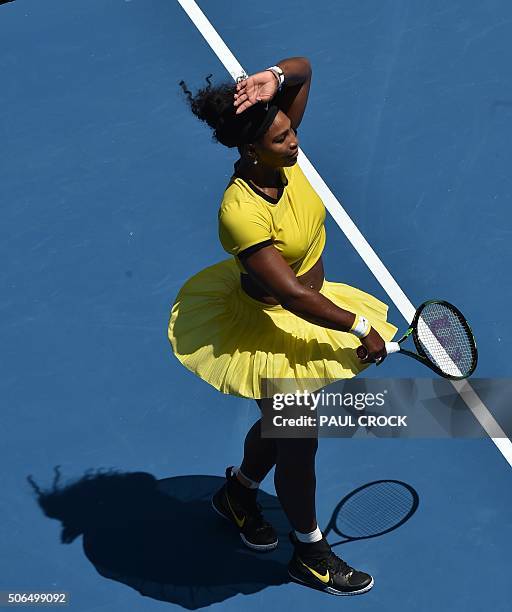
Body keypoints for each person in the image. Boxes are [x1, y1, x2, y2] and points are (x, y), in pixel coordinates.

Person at [168, 57, 397, 596]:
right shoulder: (239, 211)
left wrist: (274, 75)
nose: (294, 142)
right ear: (251, 149)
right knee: (299, 440)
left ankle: (238, 494)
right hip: (272, 326)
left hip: (316, 306)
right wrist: (359, 327)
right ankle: (310, 553)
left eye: (292, 130)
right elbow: (291, 295)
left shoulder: (280, 158)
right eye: (282, 138)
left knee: (284, 425)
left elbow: (305, 71)